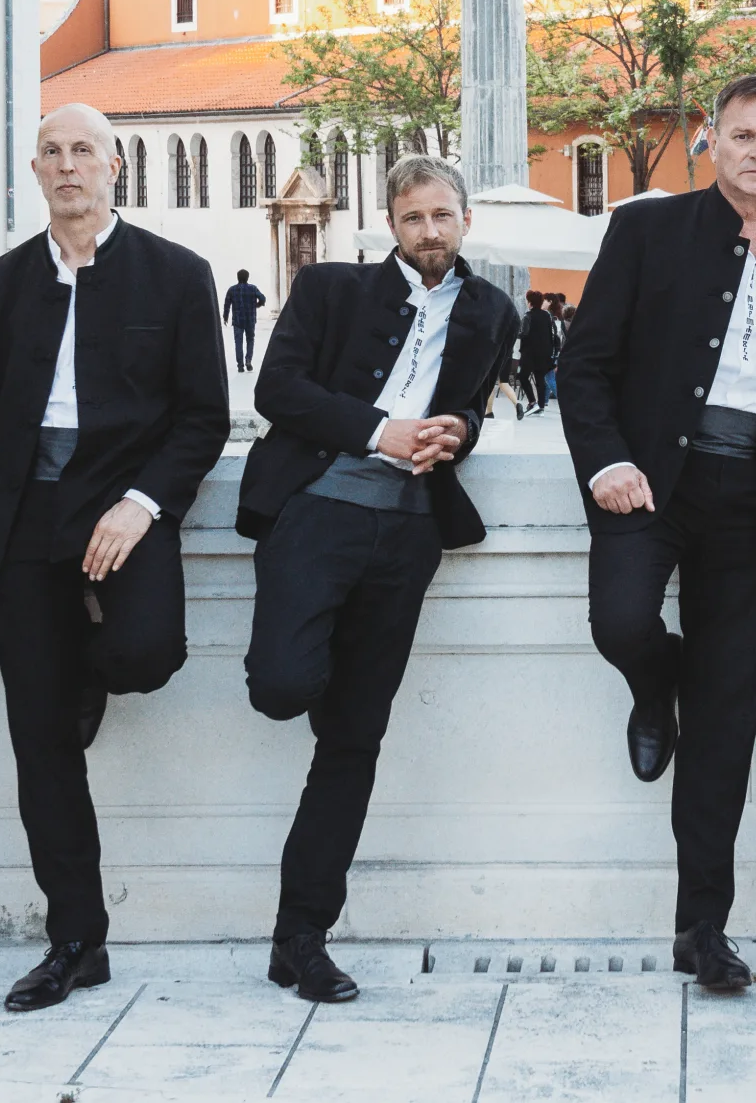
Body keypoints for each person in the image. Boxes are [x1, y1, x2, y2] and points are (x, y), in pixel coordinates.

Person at [557, 74, 756, 991]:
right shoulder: (645, 231)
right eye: (742, 135)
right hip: (651, 482)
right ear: (712, 142)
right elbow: (585, 365)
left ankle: (703, 928)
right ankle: (658, 685)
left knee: (727, 725)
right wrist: (606, 460)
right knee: (621, 622)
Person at [0, 104, 230, 1012]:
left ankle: (87, 675)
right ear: (35, 170)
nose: (68, 165)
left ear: (115, 167)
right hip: (23, 519)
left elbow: (205, 418)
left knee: (147, 652)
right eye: (52, 152)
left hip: (123, 506)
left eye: (84, 151)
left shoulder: (177, 274)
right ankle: (75, 938)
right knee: (40, 739)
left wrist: (142, 504)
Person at [237, 156, 517, 1003]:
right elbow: (276, 388)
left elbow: (474, 405)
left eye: (442, 215)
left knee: (353, 740)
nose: (429, 230)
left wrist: (455, 431)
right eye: (413, 217)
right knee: (282, 686)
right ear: (390, 224)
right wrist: (378, 429)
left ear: (465, 219)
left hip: (408, 532)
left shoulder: (494, 310)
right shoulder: (331, 288)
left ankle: (301, 937)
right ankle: (327, 677)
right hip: (314, 513)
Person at [518, 288, 560, 412]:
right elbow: (553, 333)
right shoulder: (547, 316)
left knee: (523, 376)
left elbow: (524, 333)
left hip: (529, 353)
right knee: (540, 379)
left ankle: (532, 402)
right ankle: (541, 406)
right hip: (545, 352)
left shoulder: (528, 316)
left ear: (530, 302)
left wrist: (514, 333)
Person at [225, 269, 269, 373]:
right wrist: (257, 305)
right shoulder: (253, 288)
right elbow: (262, 298)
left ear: (237, 277)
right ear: (247, 277)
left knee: (238, 342)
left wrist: (225, 316)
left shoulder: (232, 289)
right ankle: (248, 360)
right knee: (250, 340)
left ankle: (240, 366)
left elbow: (227, 304)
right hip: (250, 319)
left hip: (237, 320)